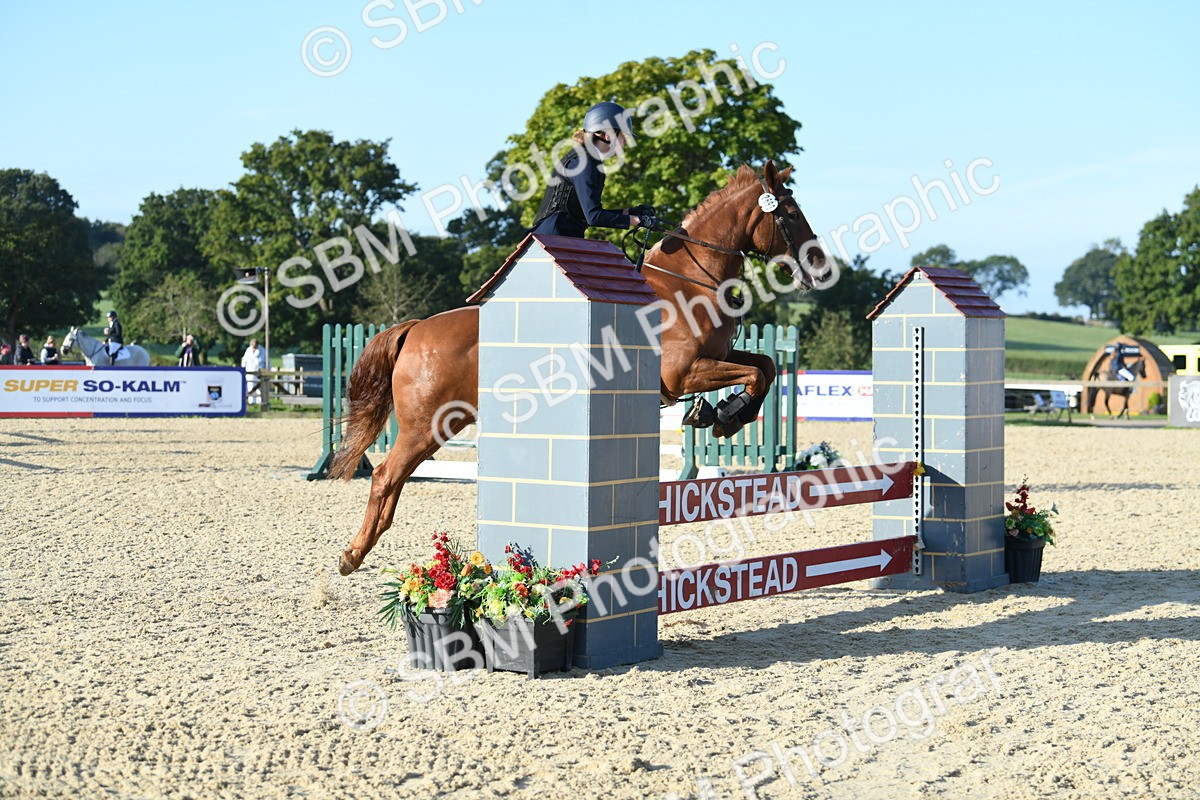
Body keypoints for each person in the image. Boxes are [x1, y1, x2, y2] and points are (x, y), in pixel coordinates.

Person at [530, 101, 656, 239]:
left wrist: (631, 212)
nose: (625, 142)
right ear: (608, 135)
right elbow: (594, 217)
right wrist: (638, 221)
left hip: (565, 238)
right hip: (552, 239)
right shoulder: (583, 162)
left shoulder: (590, 160)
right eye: (623, 137)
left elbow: (592, 213)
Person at [241, 338, 267, 404]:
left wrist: (267, 371)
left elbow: (267, 362)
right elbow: (244, 360)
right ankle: (251, 402)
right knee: (250, 387)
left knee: (259, 388)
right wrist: (243, 370)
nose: (254, 348)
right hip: (249, 372)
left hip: (260, 372)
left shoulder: (263, 351)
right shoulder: (248, 350)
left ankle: (260, 402)